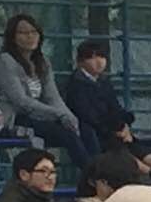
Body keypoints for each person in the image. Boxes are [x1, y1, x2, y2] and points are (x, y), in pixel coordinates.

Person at [0, 14, 91, 161]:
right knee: (66, 134)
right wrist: (58, 115)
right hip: (16, 119)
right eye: (23, 33)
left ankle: (100, 169)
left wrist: (69, 116)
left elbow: (53, 97)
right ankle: (92, 172)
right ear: (12, 37)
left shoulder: (43, 62)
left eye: (34, 32)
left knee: (85, 131)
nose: (30, 36)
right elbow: (21, 101)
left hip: (39, 116)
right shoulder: (6, 61)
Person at [61, 40, 145, 171]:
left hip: (108, 128)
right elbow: (86, 114)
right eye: (92, 57)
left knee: (130, 141)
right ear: (80, 61)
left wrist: (123, 124)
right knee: (117, 145)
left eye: (102, 56)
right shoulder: (76, 84)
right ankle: (149, 171)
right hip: (94, 131)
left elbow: (115, 107)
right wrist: (115, 128)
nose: (99, 61)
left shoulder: (104, 81)